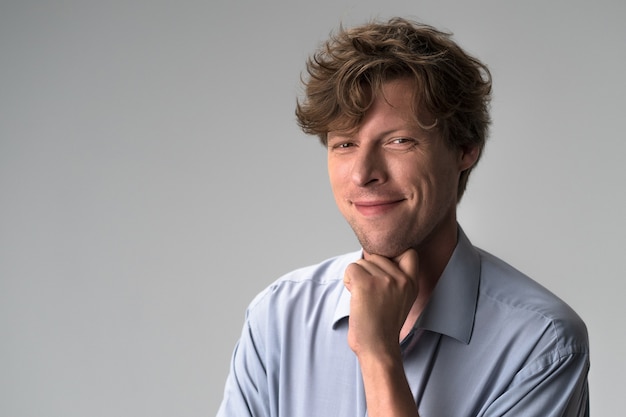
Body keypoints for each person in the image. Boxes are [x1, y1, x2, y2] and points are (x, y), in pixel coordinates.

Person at [216, 17, 590, 417]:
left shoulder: (542, 343)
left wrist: (378, 354)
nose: (363, 174)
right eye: (345, 144)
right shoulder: (278, 316)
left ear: (465, 148)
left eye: (398, 141)